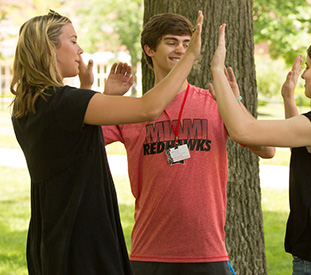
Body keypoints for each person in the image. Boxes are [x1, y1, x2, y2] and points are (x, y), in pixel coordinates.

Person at [10, 9, 202, 275]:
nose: (80, 50)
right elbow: (149, 108)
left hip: (51, 231)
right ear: (48, 48)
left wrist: (94, 93)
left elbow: (73, 144)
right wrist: (188, 57)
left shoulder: (30, 105)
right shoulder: (66, 102)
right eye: (73, 40)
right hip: (82, 236)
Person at [102, 13, 274, 275]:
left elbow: (267, 149)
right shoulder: (133, 110)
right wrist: (108, 99)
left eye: (186, 42)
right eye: (171, 42)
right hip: (149, 251)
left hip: (208, 251)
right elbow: (84, 146)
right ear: (149, 50)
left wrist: (235, 103)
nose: (181, 49)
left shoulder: (214, 102)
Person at [211, 24, 311, 275]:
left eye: (309, 67)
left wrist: (217, 71)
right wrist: (287, 98)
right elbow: (297, 141)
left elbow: (244, 131)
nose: (305, 75)